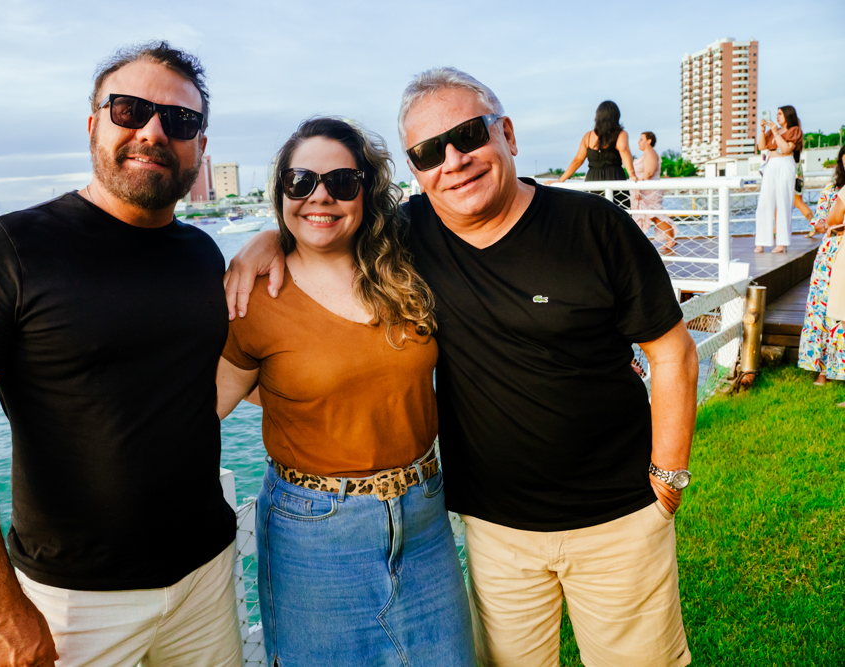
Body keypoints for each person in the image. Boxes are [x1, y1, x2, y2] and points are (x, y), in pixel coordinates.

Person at [225, 67, 699, 667]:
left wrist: (667, 478)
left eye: (469, 135)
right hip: (494, 532)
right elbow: (324, 222)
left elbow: (673, 352)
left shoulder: (593, 226)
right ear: (416, 169)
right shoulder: (408, 236)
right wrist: (269, 240)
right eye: (428, 152)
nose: (453, 161)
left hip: (618, 518)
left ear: (507, 134)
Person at [0, 43, 243, 667]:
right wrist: (0, 609)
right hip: (74, 603)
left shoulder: (203, 254)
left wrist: (275, 240)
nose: (153, 132)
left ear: (200, 145)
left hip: (206, 575)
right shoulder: (11, 250)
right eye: (130, 110)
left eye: (179, 120)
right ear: (94, 124)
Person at [216, 117, 474, 667]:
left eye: (342, 182)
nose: (320, 196)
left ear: (366, 192)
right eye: (301, 182)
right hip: (314, 537)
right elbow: (204, 407)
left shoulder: (407, 267)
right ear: (281, 192)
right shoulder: (253, 298)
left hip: (425, 519)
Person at [799, 144, 845, 387]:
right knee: (821, 309)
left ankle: (839, 368)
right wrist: (827, 224)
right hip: (830, 253)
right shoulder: (832, 189)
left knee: (839, 312)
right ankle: (823, 370)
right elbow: (819, 223)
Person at [548, 100, 637, 209]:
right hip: (615, 179)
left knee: (594, 213)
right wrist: (632, 174)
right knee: (618, 213)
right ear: (616, 116)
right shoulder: (621, 134)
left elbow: (578, 160)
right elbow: (624, 150)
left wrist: (561, 180)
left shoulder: (588, 136)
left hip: (593, 181)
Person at [755, 106, 803, 253]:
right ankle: (761, 241)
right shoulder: (772, 131)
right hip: (771, 165)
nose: (777, 116)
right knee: (764, 202)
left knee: (783, 202)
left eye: (780, 114)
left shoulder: (794, 131)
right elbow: (761, 146)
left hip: (785, 164)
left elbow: (786, 149)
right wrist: (763, 130)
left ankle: (782, 242)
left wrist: (776, 132)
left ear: (788, 115)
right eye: (777, 114)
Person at [632, 130, 677, 254]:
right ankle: (669, 239)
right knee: (649, 215)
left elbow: (649, 172)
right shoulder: (646, 154)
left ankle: (671, 239)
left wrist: (639, 188)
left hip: (649, 190)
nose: (638, 142)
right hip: (646, 189)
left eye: (641, 139)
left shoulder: (651, 153)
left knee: (654, 215)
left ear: (649, 141)